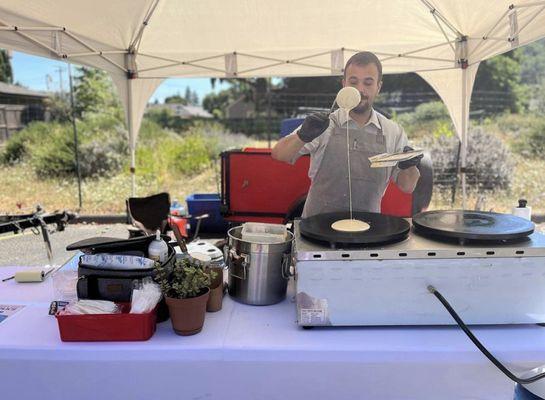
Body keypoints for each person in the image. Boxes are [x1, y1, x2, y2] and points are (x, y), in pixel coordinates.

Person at [272, 51, 422, 218]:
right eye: (353, 82)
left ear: (378, 87)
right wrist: (302, 135)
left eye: (368, 82)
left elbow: (407, 186)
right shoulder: (325, 124)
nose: (360, 89)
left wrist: (409, 166)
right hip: (317, 227)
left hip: (369, 229)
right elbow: (279, 154)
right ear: (344, 84)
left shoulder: (393, 131)